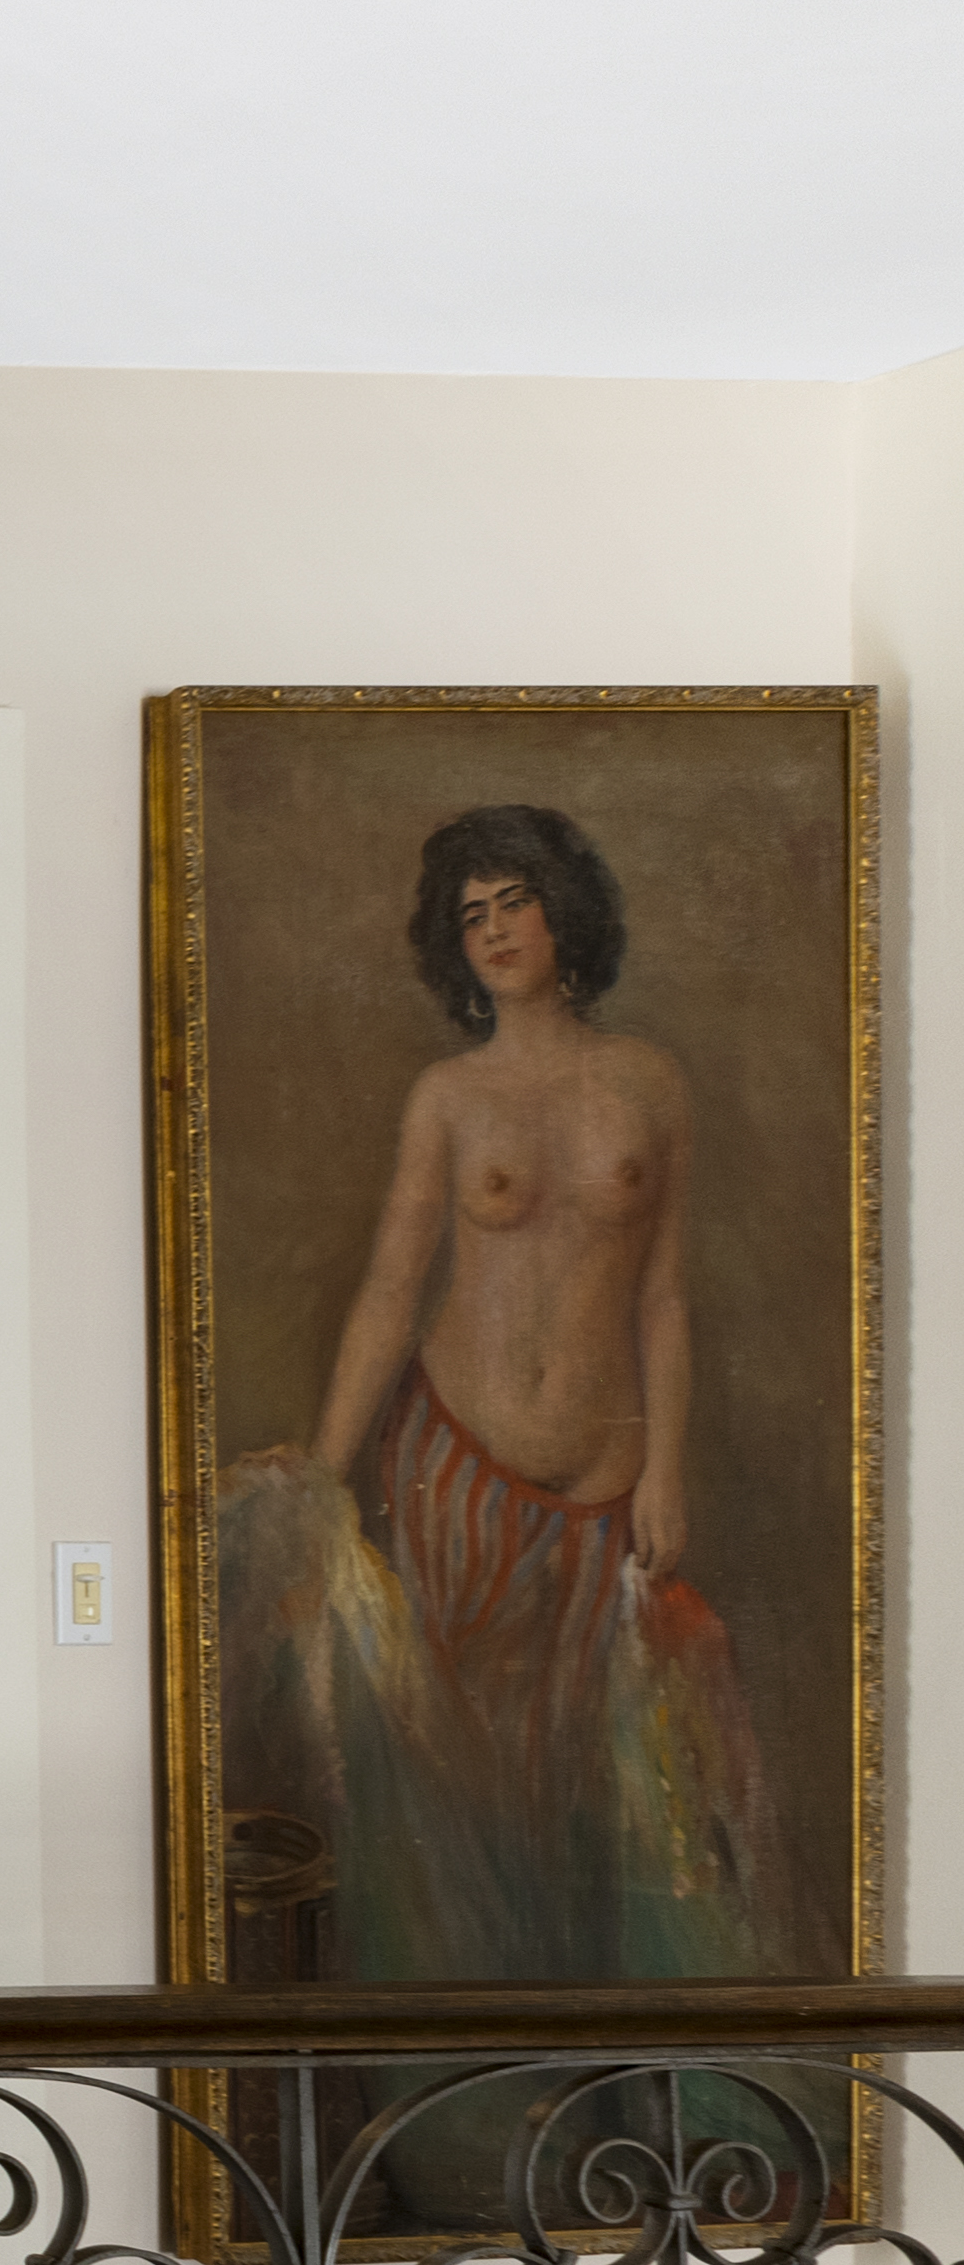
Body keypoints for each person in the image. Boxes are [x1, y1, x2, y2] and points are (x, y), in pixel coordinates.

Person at [222, 801, 777, 1985]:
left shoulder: (649, 1082)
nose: (492, 930)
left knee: (607, 1788)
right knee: (463, 1792)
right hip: (455, 1464)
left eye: (511, 900)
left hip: (607, 1477)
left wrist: (666, 1468)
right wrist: (323, 1471)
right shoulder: (446, 1095)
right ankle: (482, 2066)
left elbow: (663, 1298)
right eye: (468, 915)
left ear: (561, 909)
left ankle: (598, 2066)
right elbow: (386, 1290)